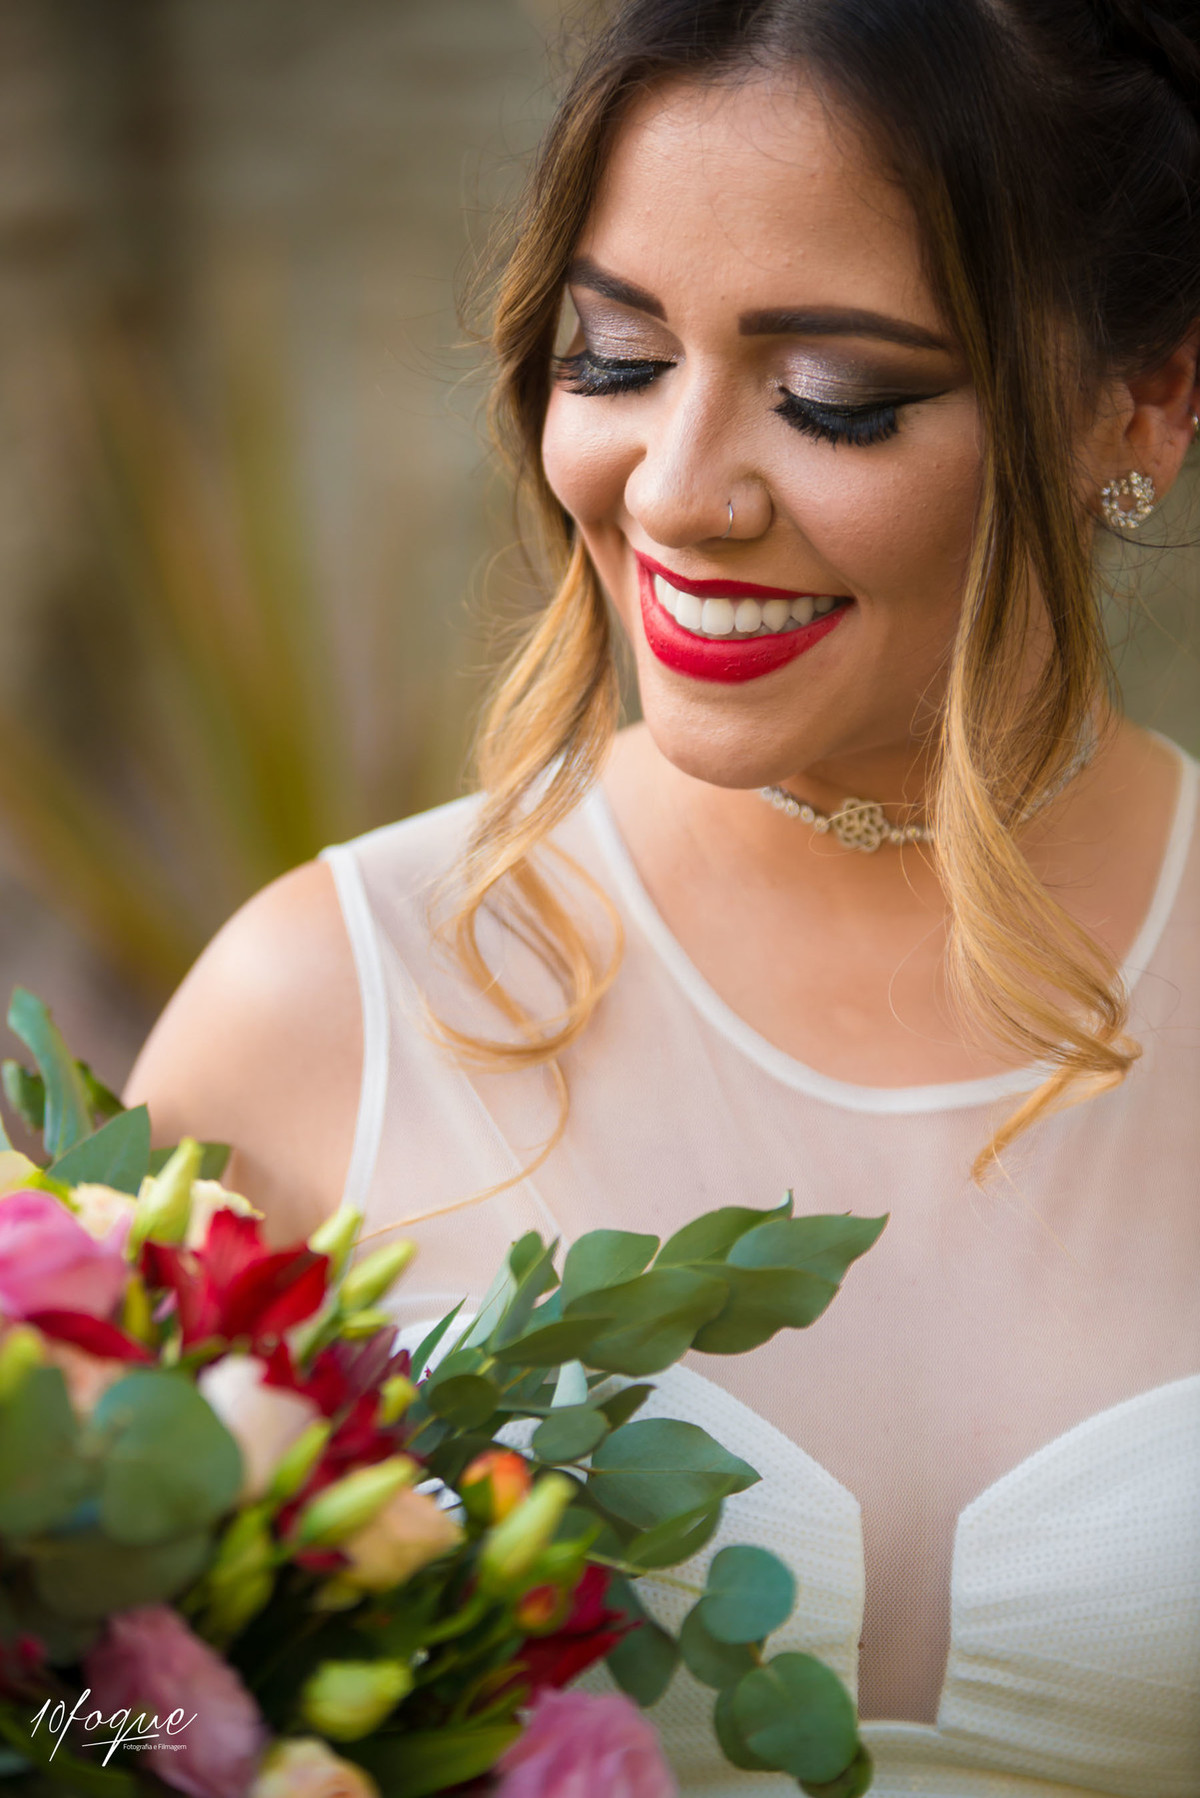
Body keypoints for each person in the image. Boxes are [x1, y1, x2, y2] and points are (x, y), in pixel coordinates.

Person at [126, 0, 1200, 1789]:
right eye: (614, 359)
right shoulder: (327, 1011)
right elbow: (64, 1714)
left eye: (835, 398)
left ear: (1148, 392)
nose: (678, 491)